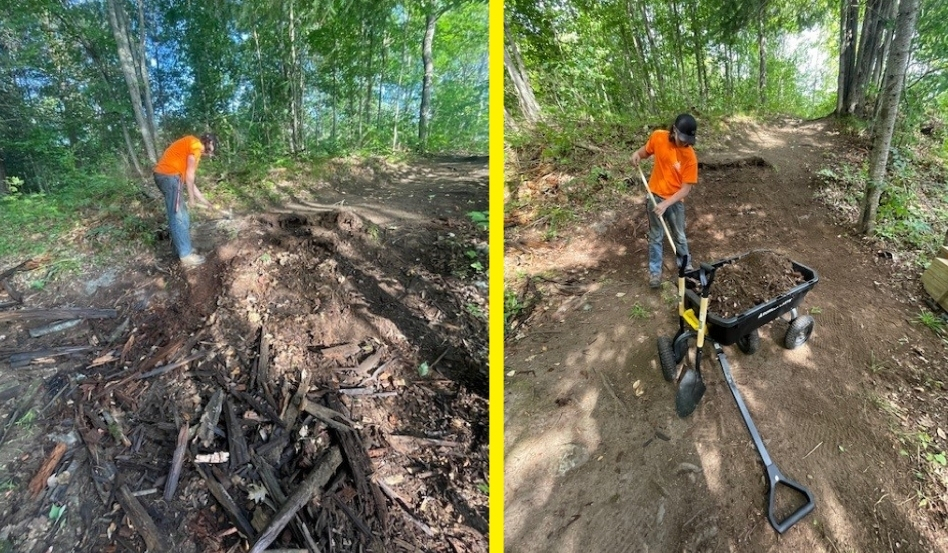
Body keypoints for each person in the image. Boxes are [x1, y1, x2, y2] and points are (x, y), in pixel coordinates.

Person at [631, 113, 698, 289]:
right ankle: (655, 273)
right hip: (654, 196)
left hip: (674, 201)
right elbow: (644, 152)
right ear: (674, 130)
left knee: (680, 237)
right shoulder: (658, 137)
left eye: (688, 140)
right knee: (656, 236)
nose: (684, 143)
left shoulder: (689, 156)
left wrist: (666, 203)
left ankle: (687, 268)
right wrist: (637, 154)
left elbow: (686, 189)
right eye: (682, 138)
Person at [153, 133, 217, 268]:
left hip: (168, 176)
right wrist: (192, 200)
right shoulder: (196, 146)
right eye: (211, 150)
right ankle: (185, 255)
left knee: (182, 216)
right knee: (178, 216)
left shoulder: (192, 146)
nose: (209, 155)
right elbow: (189, 177)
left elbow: (191, 183)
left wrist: (205, 202)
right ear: (208, 144)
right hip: (169, 176)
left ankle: (182, 249)